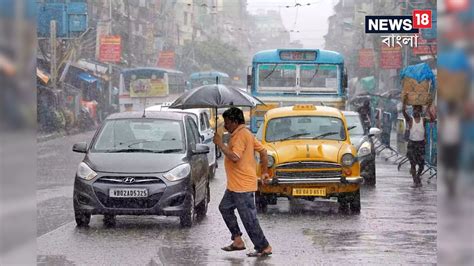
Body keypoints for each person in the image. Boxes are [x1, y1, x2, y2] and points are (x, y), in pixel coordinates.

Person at [213, 107, 273, 257]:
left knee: (248, 218)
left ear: (234, 122)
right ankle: (238, 240)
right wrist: (264, 172)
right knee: (225, 208)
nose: (225, 126)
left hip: (242, 187)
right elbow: (263, 152)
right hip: (234, 186)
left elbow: (235, 157)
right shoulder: (245, 133)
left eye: (227, 122)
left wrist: (220, 144)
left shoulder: (241, 135)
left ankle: (264, 246)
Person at [402, 98, 434, 187]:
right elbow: (403, 112)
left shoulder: (423, 120)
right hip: (412, 144)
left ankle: (418, 176)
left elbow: (432, 119)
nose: (415, 111)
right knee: (413, 164)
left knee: (421, 165)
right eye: (414, 109)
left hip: (421, 144)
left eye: (417, 110)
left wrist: (428, 109)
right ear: (413, 110)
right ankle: (415, 181)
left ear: (420, 111)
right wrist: (404, 102)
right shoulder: (410, 120)